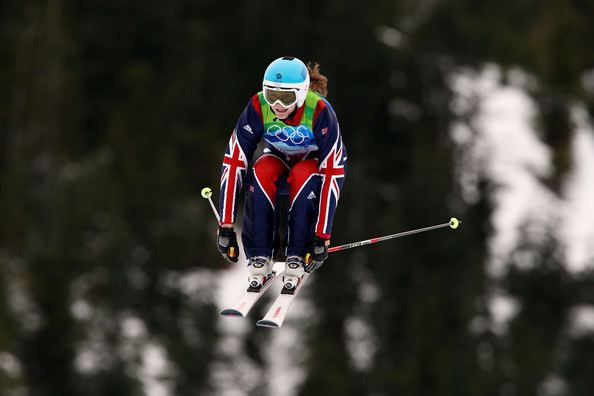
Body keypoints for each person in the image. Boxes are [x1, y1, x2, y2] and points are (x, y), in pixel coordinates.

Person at [216, 56, 347, 291]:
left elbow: (333, 172)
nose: (277, 104)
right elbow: (234, 161)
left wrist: (322, 235)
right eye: (270, 94)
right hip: (280, 159)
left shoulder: (319, 111)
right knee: (262, 168)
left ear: (302, 92)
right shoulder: (258, 106)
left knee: (304, 173)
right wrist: (226, 225)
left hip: (314, 166)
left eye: (286, 96)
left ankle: (297, 253)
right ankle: (259, 255)